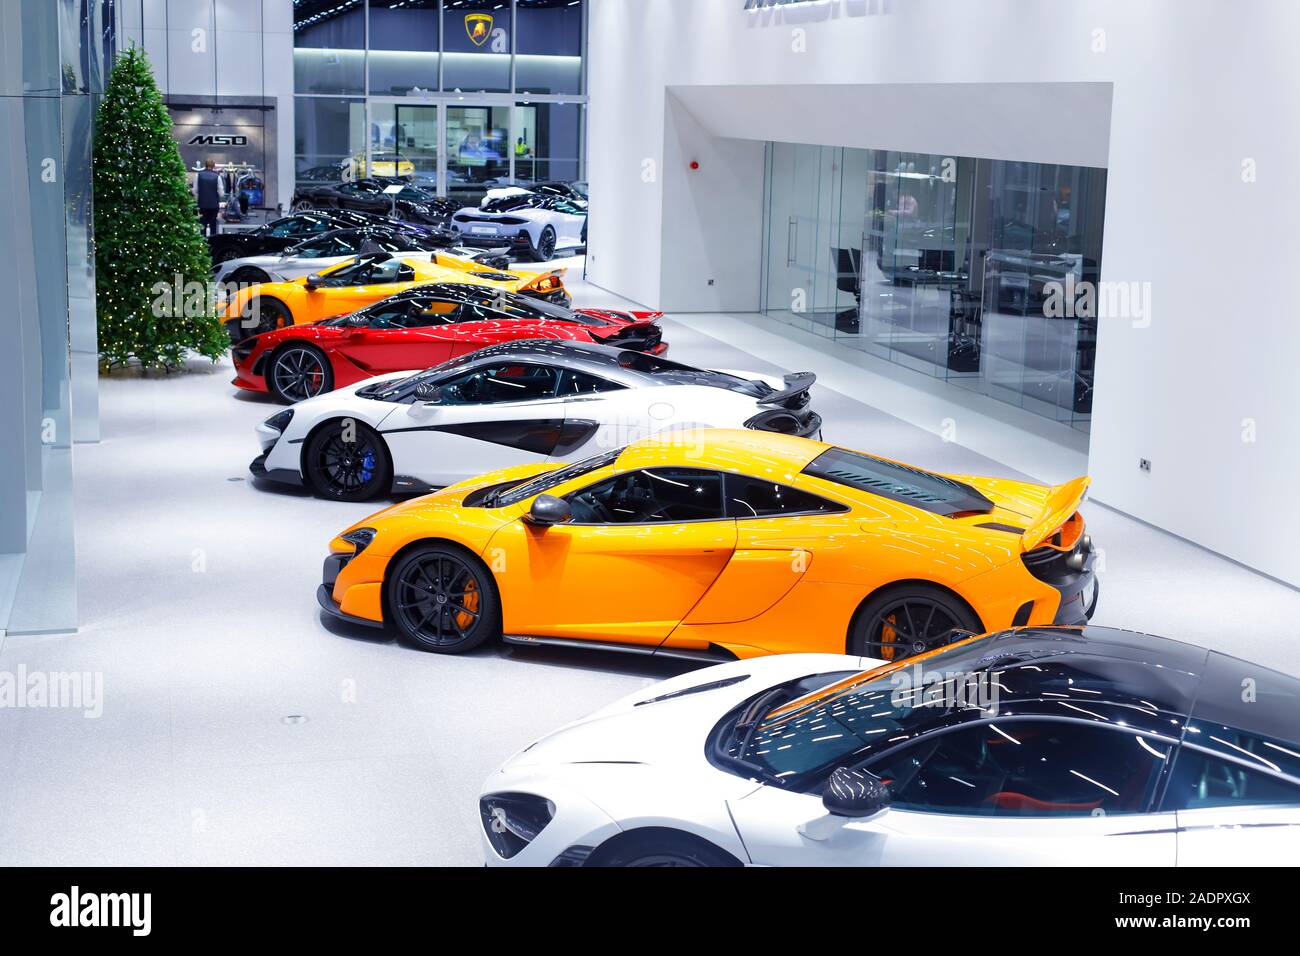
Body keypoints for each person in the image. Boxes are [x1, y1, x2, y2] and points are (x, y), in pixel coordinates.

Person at [194, 159, 225, 237]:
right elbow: (221, 193)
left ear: (205, 165)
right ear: (214, 166)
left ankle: (202, 244)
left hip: (202, 205)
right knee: (213, 225)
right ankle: (213, 244)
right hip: (213, 206)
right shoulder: (217, 176)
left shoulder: (198, 175)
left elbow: (195, 191)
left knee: (202, 225)